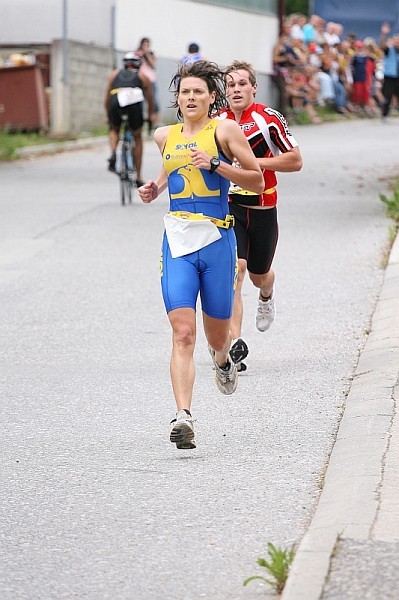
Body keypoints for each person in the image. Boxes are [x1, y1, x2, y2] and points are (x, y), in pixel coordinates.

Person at [138, 60, 263, 449]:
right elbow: (171, 166)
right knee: (183, 332)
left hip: (217, 239)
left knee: (217, 337)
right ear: (177, 98)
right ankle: (183, 416)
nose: (191, 97)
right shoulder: (164, 135)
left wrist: (216, 165)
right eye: (185, 92)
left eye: (198, 92)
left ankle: (223, 360)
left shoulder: (224, 130)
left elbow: (256, 179)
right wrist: (155, 188)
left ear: (212, 98)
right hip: (177, 238)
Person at [218, 60, 302, 372]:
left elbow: (295, 160)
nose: (236, 90)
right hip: (231, 206)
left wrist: (255, 164)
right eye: (231, 85)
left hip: (263, 207)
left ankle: (267, 292)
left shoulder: (268, 120)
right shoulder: (218, 120)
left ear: (254, 87)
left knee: (258, 274)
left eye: (242, 84)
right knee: (236, 271)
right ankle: (233, 346)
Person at [104, 52, 156, 185]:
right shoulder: (142, 76)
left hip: (116, 100)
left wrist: (108, 115)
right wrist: (150, 115)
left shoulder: (114, 74)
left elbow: (107, 98)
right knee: (137, 136)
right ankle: (138, 176)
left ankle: (114, 153)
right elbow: (150, 100)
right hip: (134, 104)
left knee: (114, 129)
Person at [135, 37, 160, 133]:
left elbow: (153, 65)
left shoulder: (151, 54)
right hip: (140, 80)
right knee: (140, 101)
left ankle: (153, 122)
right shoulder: (137, 54)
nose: (145, 46)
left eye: (147, 44)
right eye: (144, 44)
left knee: (153, 101)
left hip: (151, 80)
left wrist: (147, 54)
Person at [379, 23, 399, 121]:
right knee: (387, 96)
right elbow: (382, 45)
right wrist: (384, 34)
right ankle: (384, 115)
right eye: (396, 41)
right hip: (390, 76)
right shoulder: (389, 50)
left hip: (398, 77)